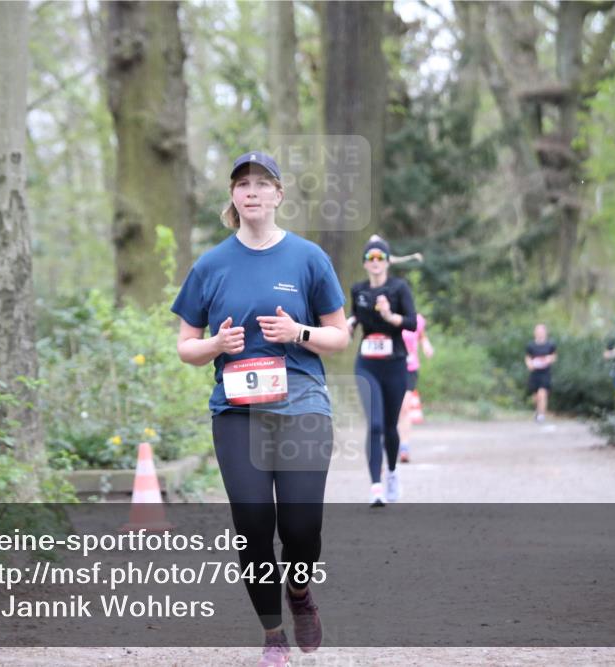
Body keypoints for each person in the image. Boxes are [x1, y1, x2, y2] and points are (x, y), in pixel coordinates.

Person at [172, 151, 350, 667]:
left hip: (302, 405)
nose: (251, 192)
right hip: (236, 410)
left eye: (261, 183)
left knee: (300, 528)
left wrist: (300, 333)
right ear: (233, 196)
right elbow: (186, 343)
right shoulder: (210, 265)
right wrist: (216, 346)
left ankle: (299, 593)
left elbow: (338, 335)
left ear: (278, 195)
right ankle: (273, 636)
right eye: (242, 184)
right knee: (252, 525)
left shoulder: (308, 258)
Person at [347, 236, 417, 506]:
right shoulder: (358, 290)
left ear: (387, 262)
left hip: (395, 363)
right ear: (365, 263)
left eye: (380, 258)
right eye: (370, 258)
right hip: (367, 364)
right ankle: (375, 486)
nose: (375, 262)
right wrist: (349, 324)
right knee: (374, 424)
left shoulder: (399, 288)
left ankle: (392, 473)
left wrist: (390, 317)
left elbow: (412, 323)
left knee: (390, 426)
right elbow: (356, 315)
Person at [398, 312, 434, 462]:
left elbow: (421, 335)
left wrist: (426, 345)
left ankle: (404, 447)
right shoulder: (388, 316)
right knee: (392, 409)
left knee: (405, 408)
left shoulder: (416, 319)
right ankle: (389, 443)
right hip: (390, 367)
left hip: (410, 369)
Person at [525, 323, 557, 422]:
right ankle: (537, 411)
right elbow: (527, 357)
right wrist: (529, 364)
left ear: (545, 332)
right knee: (535, 396)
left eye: (542, 331)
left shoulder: (550, 345)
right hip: (535, 372)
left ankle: (541, 415)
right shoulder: (530, 345)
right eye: (538, 331)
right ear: (535, 333)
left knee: (542, 394)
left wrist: (549, 359)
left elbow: (554, 356)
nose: (540, 333)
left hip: (545, 373)